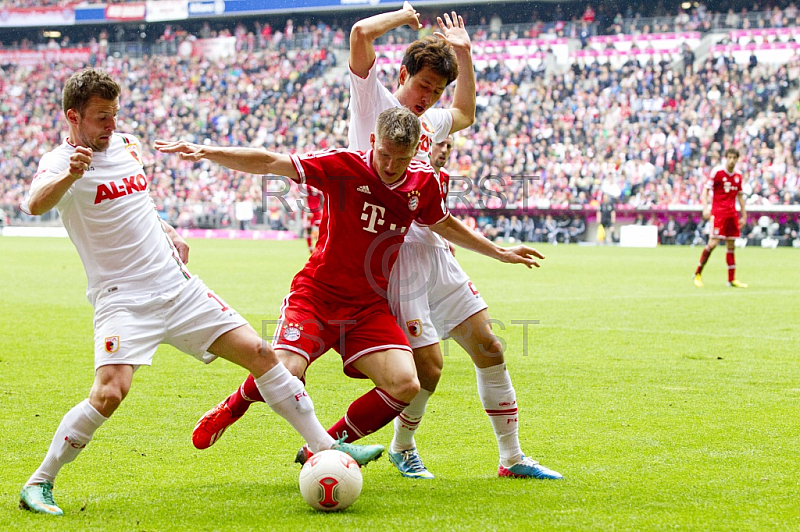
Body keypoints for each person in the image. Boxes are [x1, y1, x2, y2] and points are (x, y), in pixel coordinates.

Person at [17, 68, 383, 517]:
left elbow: (139, 204)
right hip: (124, 298)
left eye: (114, 114)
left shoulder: (128, 145)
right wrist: (69, 176)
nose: (111, 125)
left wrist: (169, 230)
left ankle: (325, 447)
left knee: (261, 354)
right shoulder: (60, 162)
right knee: (110, 392)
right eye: (100, 118)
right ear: (73, 117)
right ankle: (39, 482)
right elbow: (34, 203)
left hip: (178, 287)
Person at [157, 107, 544, 466]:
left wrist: (498, 251)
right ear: (373, 141)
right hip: (316, 296)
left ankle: (326, 446)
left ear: (415, 153)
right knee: (286, 372)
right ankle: (233, 407)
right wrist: (207, 152)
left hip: (368, 307)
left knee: (406, 384)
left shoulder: (422, 182)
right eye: (384, 155)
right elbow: (270, 162)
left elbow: (441, 223)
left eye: (400, 159)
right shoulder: (343, 165)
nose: (390, 166)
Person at [347, 3, 561, 480]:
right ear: (403, 74)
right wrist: (404, 14)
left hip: (436, 249)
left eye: (436, 90)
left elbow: (464, 112)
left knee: (489, 347)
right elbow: (360, 34)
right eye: (423, 85)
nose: (428, 98)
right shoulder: (371, 104)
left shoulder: (428, 123)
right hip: (395, 257)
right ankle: (402, 447)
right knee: (429, 368)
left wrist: (464, 54)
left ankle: (511, 459)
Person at [694, 148, 748, 288]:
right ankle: (698, 273)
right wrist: (705, 208)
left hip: (732, 214)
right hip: (719, 213)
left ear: (737, 159)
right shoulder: (717, 172)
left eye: (734, 158)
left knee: (731, 245)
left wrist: (744, 215)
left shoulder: (738, 175)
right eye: (729, 157)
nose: (731, 160)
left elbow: (740, 196)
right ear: (726, 158)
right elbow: (706, 190)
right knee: (713, 243)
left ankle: (731, 279)